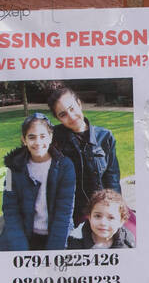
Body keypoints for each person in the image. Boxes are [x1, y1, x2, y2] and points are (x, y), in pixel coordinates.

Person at [46, 84, 121, 247]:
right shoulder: (55, 139)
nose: (71, 117)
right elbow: (32, 141)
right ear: (58, 119)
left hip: (104, 210)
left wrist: (117, 210)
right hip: (73, 213)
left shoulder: (105, 136)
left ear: (79, 103)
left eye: (72, 108)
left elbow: (112, 178)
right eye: (63, 114)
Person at [0, 113, 75, 251]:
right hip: (25, 236)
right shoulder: (11, 168)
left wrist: (53, 253)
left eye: (43, 136)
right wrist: (21, 249)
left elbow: (64, 212)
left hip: (57, 237)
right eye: (31, 137)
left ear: (50, 137)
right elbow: (10, 210)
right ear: (24, 140)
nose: (38, 142)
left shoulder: (66, 166)